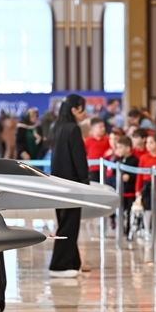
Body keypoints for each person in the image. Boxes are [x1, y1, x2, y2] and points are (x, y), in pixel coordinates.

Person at [48, 94, 91, 277]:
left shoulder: (57, 127)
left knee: (66, 222)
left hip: (58, 182)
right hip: (72, 182)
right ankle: (59, 265)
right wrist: (84, 181)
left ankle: (73, 263)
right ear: (74, 109)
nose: (85, 112)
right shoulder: (73, 129)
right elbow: (78, 158)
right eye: (83, 108)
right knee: (68, 225)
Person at [111, 136, 139, 238]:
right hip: (120, 191)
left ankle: (130, 229)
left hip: (130, 191)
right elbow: (113, 174)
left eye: (120, 147)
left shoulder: (135, 160)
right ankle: (120, 228)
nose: (118, 150)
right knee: (121, 212)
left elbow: (137, 174)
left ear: (128, 148)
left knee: (130, 212)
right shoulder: (117, 161)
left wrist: (130, 177)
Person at [84, 119, 110, 183]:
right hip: (92, 169)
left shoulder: (107, 140)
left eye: (104, 126)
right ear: (93, 128)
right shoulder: (87, 141)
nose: (103, 129)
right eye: (100, 127)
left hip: (105, 169)